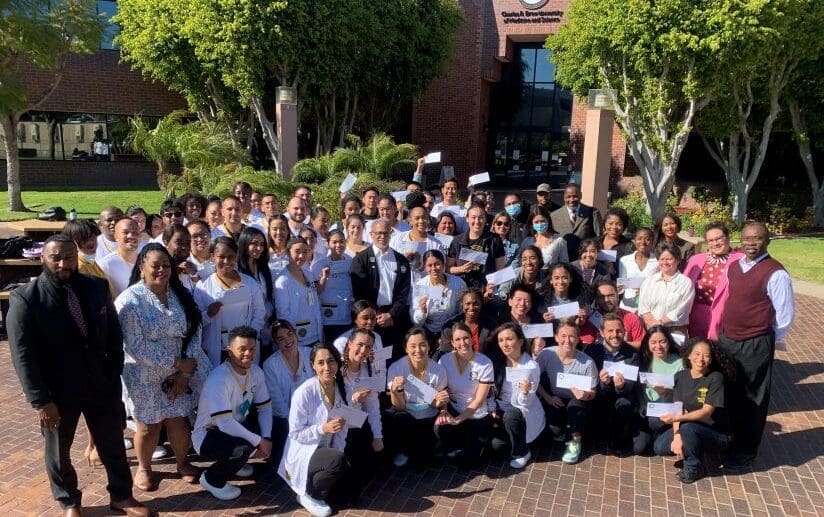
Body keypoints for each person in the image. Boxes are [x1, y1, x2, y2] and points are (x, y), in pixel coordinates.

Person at [7, 235, 151, 517]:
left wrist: (113, 370)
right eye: (56, 258)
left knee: (112, 443)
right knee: (59, 451)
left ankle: (121, 495)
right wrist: (40, 400)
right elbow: (22, 355)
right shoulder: (26, 299)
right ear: (43, 258)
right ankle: (70, 501)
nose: (64, 264)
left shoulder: (96, 286)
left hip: (101, 382)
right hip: (57, 392)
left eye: (69, 258)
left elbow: (113, 332)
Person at [115, 243, 211, 491]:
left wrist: (184, 372)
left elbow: (195, 330)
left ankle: (183, 462)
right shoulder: (129, 301)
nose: (161, 270)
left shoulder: (179, 294)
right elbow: (136, 345)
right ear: (141, 268)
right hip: (143, 374)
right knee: (149, 426)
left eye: (166, 265)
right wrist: (175, 363)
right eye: (155, 265)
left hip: (181, 372)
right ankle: (144, 468)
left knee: (178, 419)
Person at [717, 221, 794, 471]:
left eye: (757, 238)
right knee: (729, 392)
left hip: (755, 343)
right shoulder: (735, 266)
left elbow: (785, 316)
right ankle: (728, 441)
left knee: (752, 398)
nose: (751, 243)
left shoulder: (776, 273)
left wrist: (763, 338)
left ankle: (746, 451)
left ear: (767, 241)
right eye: (747, 238)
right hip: (729, 339)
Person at [192, 326, 273, 500]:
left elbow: (265, 408)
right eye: (242, 349)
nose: (248, 354)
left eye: (252, 349)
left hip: (236, 424)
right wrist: (259, 442)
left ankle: (236, 464)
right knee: (243, 449)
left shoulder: (256, 372)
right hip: (209, 433)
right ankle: (212, 479)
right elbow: (224, 424)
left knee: (263, 430)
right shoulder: (219, 378)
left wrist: (266, 437)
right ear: (229, 351)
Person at [279, 344, 351, 517]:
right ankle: (309, 494)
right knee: (337, 462)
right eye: (321, 362)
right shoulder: (304, 392)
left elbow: (343, 428)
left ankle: (322, 478)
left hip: (325, 448)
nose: (327, 367)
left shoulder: (343, 387)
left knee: (350, 492)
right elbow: (295, 433)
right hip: (305, 450)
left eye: (331, 361)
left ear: (338, 363)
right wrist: (322, 429)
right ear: (313, 365)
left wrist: (337, 453)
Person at [655, 338, 736, 484]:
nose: (701, 359)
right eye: (697, 354)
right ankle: (695, 447)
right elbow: (678, 408)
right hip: (689, 427)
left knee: (688, 428)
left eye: (706, 355)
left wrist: (677, 420)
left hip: (716, 432)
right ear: (689, 355)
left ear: (711, 360)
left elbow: (706, 412)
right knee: (660, 447)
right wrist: (677, 435)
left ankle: (693, 467)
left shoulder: (715, 378)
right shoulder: (680, 376)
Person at [193, 237, 266, 366]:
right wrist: (209, 314)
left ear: (236, 256)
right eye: (221, 257)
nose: (226, 261)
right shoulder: (203, 286)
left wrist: (249, 336)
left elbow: (259, 312)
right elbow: (197, 321)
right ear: (212, 257)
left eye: (230, 257)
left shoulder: (250, 283)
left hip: (246, 349)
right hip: (219, 350)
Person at [386, 328, 450, 469]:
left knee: (422, 463)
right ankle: (404, 449)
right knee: (398, 419)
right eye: (413, 346)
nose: (418, 350)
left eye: (422, 345)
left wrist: (441, 401)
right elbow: (399, 407)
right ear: (406, 348)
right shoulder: (396, 368)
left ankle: (429, 448)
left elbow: (436, 404)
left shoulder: (438, 370)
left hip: (429, 416)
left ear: (429, 346)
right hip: (406, 415)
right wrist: (395, 391)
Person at [484, 323, 545, 469]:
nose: (505, 344)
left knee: (511, 415)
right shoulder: (496, 362)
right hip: (501, 409)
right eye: (501, 340)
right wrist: (492, 408)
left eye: (509, 339)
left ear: (521, 341)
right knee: (496, 446)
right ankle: (513, 439)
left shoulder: (530, 366)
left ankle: (522, 452)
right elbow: (490, 390)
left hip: (522, 411)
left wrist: (525, 392)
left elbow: (527, 402)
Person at [536, 320, 597, 464]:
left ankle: (576, 441)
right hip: (555, 398)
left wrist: (585, 395)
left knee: (575, 407)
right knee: (554, 432)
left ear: (578, 338)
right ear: (556, 337)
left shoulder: (588, 362)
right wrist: (548, 397)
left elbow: (593, 391)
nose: (567, 340)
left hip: (577, 401)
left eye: (572, 336)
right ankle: (562, 430)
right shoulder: (546, 354)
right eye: (563, 336)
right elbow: (533, 379)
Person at [350, 218, 412, 357]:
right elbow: (359, 292)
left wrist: (391, 314)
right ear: (371, 234)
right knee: (370, 357)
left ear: (391, 234)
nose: (382, 236)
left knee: (391, 357)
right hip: (370, 319)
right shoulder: (360, 260)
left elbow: (404, 293)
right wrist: (374, 315)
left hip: (393, 319)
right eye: (378, 233)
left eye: (385, 233)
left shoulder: (401, 260)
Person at [436, 322, 494, 469]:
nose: (463, 343)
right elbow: (442, 390)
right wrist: (444, 411)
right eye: (458, 339)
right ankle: (454, 446)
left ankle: (479, 443)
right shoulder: (444, 360)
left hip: (476, 414)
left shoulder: (485, 363)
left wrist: (457, 420)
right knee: (441, 429)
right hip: (454, 409)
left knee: (470, 464)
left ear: (472, 338)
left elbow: (479, 400)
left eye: (466, 338)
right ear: (452, 343)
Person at [585, 314, 640, 455]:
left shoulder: (632, 354)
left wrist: (621, 386)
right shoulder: (592, 351)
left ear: (624, 332)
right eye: (610, 331)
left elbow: (632, 384)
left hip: (621, 395)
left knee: (626, 403)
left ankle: (618, 440)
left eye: (619, 331)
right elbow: (587, 380)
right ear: (602, 332)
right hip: (599, 394)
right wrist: (604, 383)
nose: (615, 335)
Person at [340, 329, 384, 495]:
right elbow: (329, 406)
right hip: (337, 426)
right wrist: (353, 400)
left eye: (368, 347)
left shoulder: (369, 370)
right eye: (360, 344)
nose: (363, 350)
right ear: (350, 344)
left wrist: (377, 436)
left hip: (356, 424)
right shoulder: (336, 369)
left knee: (370, 468)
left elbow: (373, 407)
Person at [262, 320, 313, 465]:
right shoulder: (270, 364)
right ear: (276, 343)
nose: (287, 341)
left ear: (295, 334)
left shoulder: (310, 354)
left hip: (312, 413)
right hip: (285, 419)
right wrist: (294, 423)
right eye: (281, 339)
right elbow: (277, 400)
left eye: (290, 334)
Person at [683, 222, 744, 340]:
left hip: (726, 318)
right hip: (696, 317)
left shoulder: (741, 260)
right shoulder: (696, 259)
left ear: (728, 237)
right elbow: (683, 287)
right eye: (710, 240)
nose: (715, 243)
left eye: (719, 239)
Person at [633, 326, 683, 455]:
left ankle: (665, 432)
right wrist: (641, 405)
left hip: (667, 410)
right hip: (646, 409)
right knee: (638, 448)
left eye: (662, 341)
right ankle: (655, 434)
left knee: (655, 423)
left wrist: (667, 392)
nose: (658, 346)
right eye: (653, 342)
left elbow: (682, 395)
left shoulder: (679, 363)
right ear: (648, 344)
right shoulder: (644, 360)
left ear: (669, 342)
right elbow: (639, 388)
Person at [274, 236, 326, 348]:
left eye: (305, 252)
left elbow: (314, 302)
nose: (301, 256)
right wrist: (291, 336)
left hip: (315, 334)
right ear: (288, 253)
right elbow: (283, 313)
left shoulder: (308, 274)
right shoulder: (282, 281)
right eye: (297, 252)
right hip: (297, 338)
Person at [638, 242, 695, 339]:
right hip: (651, 329)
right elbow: (643, 307)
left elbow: (681, 310)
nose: (665, 262)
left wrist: (659, 323)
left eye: (669, 259)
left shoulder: (685, 283)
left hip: (675, 331)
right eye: (662, 259)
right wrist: (653, 324)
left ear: (677, 260)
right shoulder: (649, 281)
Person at [447, 205, 505, 290]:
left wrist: (492, 287)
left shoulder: (495, 240)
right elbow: (448, 269)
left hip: (485, 289)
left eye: (480, 217)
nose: (477, 221)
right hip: (462, 287)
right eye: (473, 217)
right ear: (467, 219)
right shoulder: (457, 240)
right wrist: (462, 269)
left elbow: (500, 270)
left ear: (485, 219)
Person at [411, 250, 467, 338]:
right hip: (428, 331)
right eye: (429, 265)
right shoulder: (420, 286)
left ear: (444, 264)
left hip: (451, 331)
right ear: (425, 267)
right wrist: (422, 311)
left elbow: (462, 311)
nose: (434, 268)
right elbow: (416, 321)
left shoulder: (458, 283)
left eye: (437, 264)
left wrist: (449, 329)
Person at [311, 229, 354, 339]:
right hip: (328, 317)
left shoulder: (351, 262)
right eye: (334, 242)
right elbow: (314, 292)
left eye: (341, 241)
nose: (338, 245)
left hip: (347, 314)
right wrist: (323, 278)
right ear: (328, 243)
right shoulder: (318, 265)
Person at [580, 281, 646, 348]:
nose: (606, 300)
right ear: (596, 299)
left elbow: (641, 343)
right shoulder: (591, 319)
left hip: (625, 354)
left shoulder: (631, 318)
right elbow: (586, 345)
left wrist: (619, 345)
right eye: (601, 297)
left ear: (617, 296)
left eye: (610, 296)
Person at [389, 205, 445, 279]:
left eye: (424, 217)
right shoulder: (396, 240)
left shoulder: (436, 244)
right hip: (402, 283)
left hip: (425, 284)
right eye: (417, 218)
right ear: (410, 220)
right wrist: (403, 260)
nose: (421, 221)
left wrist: (421, 264)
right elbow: (388, 265)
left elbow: (441, 270)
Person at [550, 183, 603, 258]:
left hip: (585, 258)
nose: (571, 200)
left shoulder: (592, 212)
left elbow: (599, 237)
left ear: (580, 195)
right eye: (568, 197)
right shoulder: (554, 216)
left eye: (575, 196)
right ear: (564, 197)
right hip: (563, 258)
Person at [441, 289, 498, 355]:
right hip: (456, 361)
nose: (471, 308)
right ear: (462, 304)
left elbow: (495, 352)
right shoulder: (449, 326)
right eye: (467, 304)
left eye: (475, 304)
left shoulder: (491, 325)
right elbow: (446, 353)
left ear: (481, 304)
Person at [617, 227, 659, 313]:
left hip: (649, 308)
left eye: (647, 239)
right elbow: (621, 285)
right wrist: (618, 288)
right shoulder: (624, 260)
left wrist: (646, 290)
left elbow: (660, 285)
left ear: (652, 242)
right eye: (639, 238)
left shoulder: (658, 262)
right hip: (627, 307)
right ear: (634, 241)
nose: (643, 242)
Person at [237, 227, 274, 322]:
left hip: (264, 322)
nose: (259, 248)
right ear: (244, 243)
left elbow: (267, 298)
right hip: (244, 322)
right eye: (254, 243)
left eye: (262, 244)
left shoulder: (262, 268)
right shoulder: (236, 270)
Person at [98, 217, 140, 298]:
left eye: (135, 232)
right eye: (125, 232)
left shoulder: (146, 261)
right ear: (116, 236)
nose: (131, 236)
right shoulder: (105, 265)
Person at [518, 204, 568, 269]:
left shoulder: (559, 241)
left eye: (542, 221)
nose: (540, 224)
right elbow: (520, 262)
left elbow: (565, 265)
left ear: (548, 220)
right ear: (532, 224)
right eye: (536, 222)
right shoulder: (527, 241)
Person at [161, 223, 198, 291]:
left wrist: (194, 273)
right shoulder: (159, 270)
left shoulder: (190, 267)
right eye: (179, 243)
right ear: (166, 241)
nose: (184, 247)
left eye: (187, 243)